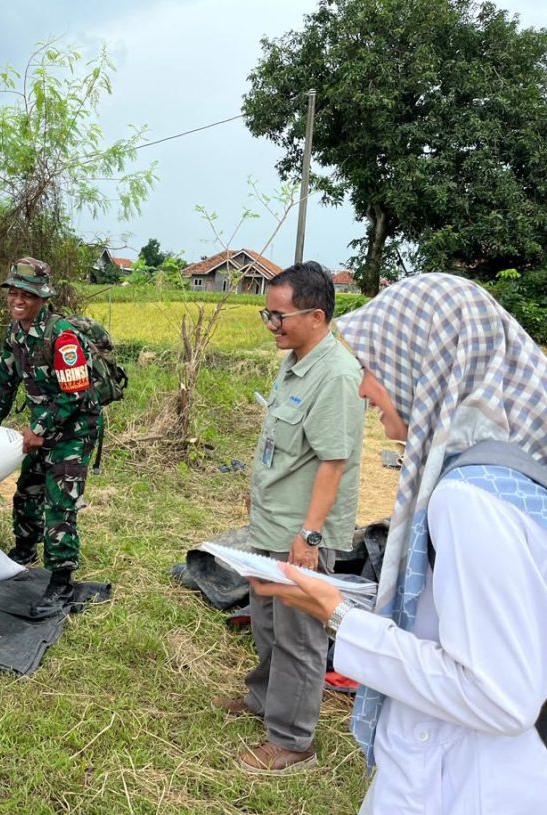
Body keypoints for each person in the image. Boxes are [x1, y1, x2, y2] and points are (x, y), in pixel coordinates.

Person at [252, 273, 547, 813]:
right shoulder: (505, 478)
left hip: (463, 783)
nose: (363, 389)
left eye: (372, 370)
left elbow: (501, 696)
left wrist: (339, 615)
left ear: (425, 370)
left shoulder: (471, 501)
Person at [213, 260, 365, 774]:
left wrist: (310, 534)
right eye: (268, 314)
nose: (271, 325)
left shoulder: (337, 374)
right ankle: (264, 698)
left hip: (300, 530)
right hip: (272, 521)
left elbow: (333, 460)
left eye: (279, 316)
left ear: (316, 315)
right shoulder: (296, 358)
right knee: (267, 620)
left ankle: (293, 741)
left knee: (300, 636)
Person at [0, 257, 101, 618]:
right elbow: (4, 383)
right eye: (14, 293)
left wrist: (38, 428)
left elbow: (75, 394)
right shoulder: (16, 332)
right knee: (27, 491)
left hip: (73, 432)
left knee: (60, 504)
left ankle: (61, 579)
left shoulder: (62, 336)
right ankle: (24, 549)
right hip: (41, 430)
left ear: (43, 298)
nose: (18, 300)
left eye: (27, 295)